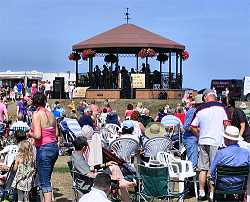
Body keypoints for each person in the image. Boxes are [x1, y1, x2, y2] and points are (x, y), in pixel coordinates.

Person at [190, 89, 228, 200]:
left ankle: (202, 193)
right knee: (213, 169)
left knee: (202, 168)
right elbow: (226, 123)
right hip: (216, 141)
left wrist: (199, 136)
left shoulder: (200, 109)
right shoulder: (222, 107)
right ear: (214, 96)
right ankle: (212, 194)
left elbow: (192, 126)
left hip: (203, 141)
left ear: (206, 97)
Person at [71, 136, 135, 201]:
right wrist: (111, 177)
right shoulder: (79, 160)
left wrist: (105, 164)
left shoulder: (75, 154)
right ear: (84, 147)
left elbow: (88, 169)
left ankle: (121, 182)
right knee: (119, 181)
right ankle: (122, 184)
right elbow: (90, 175)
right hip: (88, 184)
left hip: (87, 181)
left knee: (114, 166)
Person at [28, 92, 59, 202]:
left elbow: (37, 135)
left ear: (35, 102)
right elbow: (56, 134)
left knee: (44, 181)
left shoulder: (36, 114)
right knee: (47, 178)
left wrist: (29, 133)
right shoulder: (51, 114)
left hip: (44, 148)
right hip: (54, 148)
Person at [210, 126, 250, 201]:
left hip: (222, 186)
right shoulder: (247, 153)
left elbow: (212, 172)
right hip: (240, 186)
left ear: (227, 139)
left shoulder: (220, 153)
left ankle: (211, 196)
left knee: (211, 179)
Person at [183, 94, 203, 169]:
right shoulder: (193, 112)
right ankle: (189, 179)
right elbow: (186, 126)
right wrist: (197, 130)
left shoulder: (197, 111)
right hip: (191, 139)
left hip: (194, 138)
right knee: (193, 162)